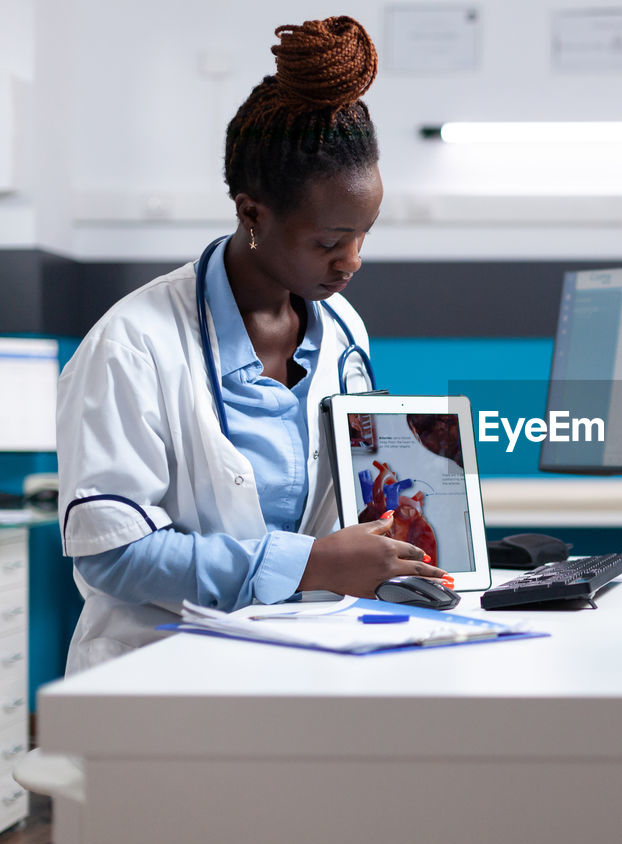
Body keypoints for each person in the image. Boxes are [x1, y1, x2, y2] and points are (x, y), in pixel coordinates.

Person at [56, 16, 446, 674]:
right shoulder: (132, 345)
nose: (351, 261)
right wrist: (311, 563)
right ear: (253, 215)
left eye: (362, 235)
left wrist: (412, 539)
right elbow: (112, 554)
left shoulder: (342, 327)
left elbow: (348, 496)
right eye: (328, 241)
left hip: (304, 655)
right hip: (159, 670)